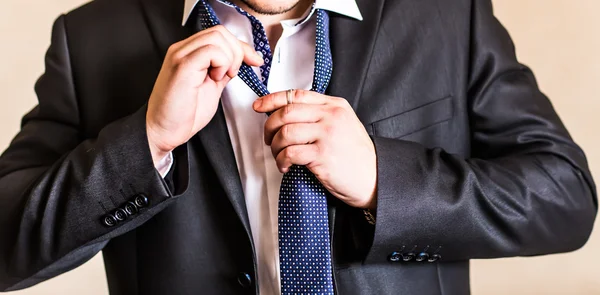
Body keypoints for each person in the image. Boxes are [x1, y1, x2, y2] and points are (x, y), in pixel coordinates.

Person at [0, 0, 596, 293]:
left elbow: (565, 197)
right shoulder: (93, 36)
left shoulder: (445, 14)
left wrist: (385, 183)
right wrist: (147, 141)